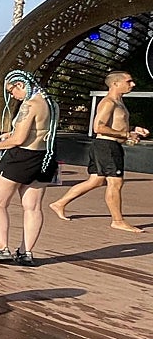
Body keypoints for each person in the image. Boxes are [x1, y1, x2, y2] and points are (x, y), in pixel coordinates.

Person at [50, 70, 148, 233]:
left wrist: (133, 129)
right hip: (106, 146)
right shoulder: (109, 102)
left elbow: (115, 124)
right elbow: (98, 127)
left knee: (95, 181)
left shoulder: (119, 102)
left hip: (106, 146)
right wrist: (126, 134)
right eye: (129, 81)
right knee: (115, 183)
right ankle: (118, 221)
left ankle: (59, 203)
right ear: (116, 83)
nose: (133, 84)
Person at [0, 71, 59, 266]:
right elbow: (38, 131)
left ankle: (1, 248)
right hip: (44, 157)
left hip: (21, 158)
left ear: (21, 85)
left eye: (12, 91)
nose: (12, 96)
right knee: (32, 207)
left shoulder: (30, 104)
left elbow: (20, 139)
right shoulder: (51, 103)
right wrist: (10, 133)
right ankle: (26, 253)